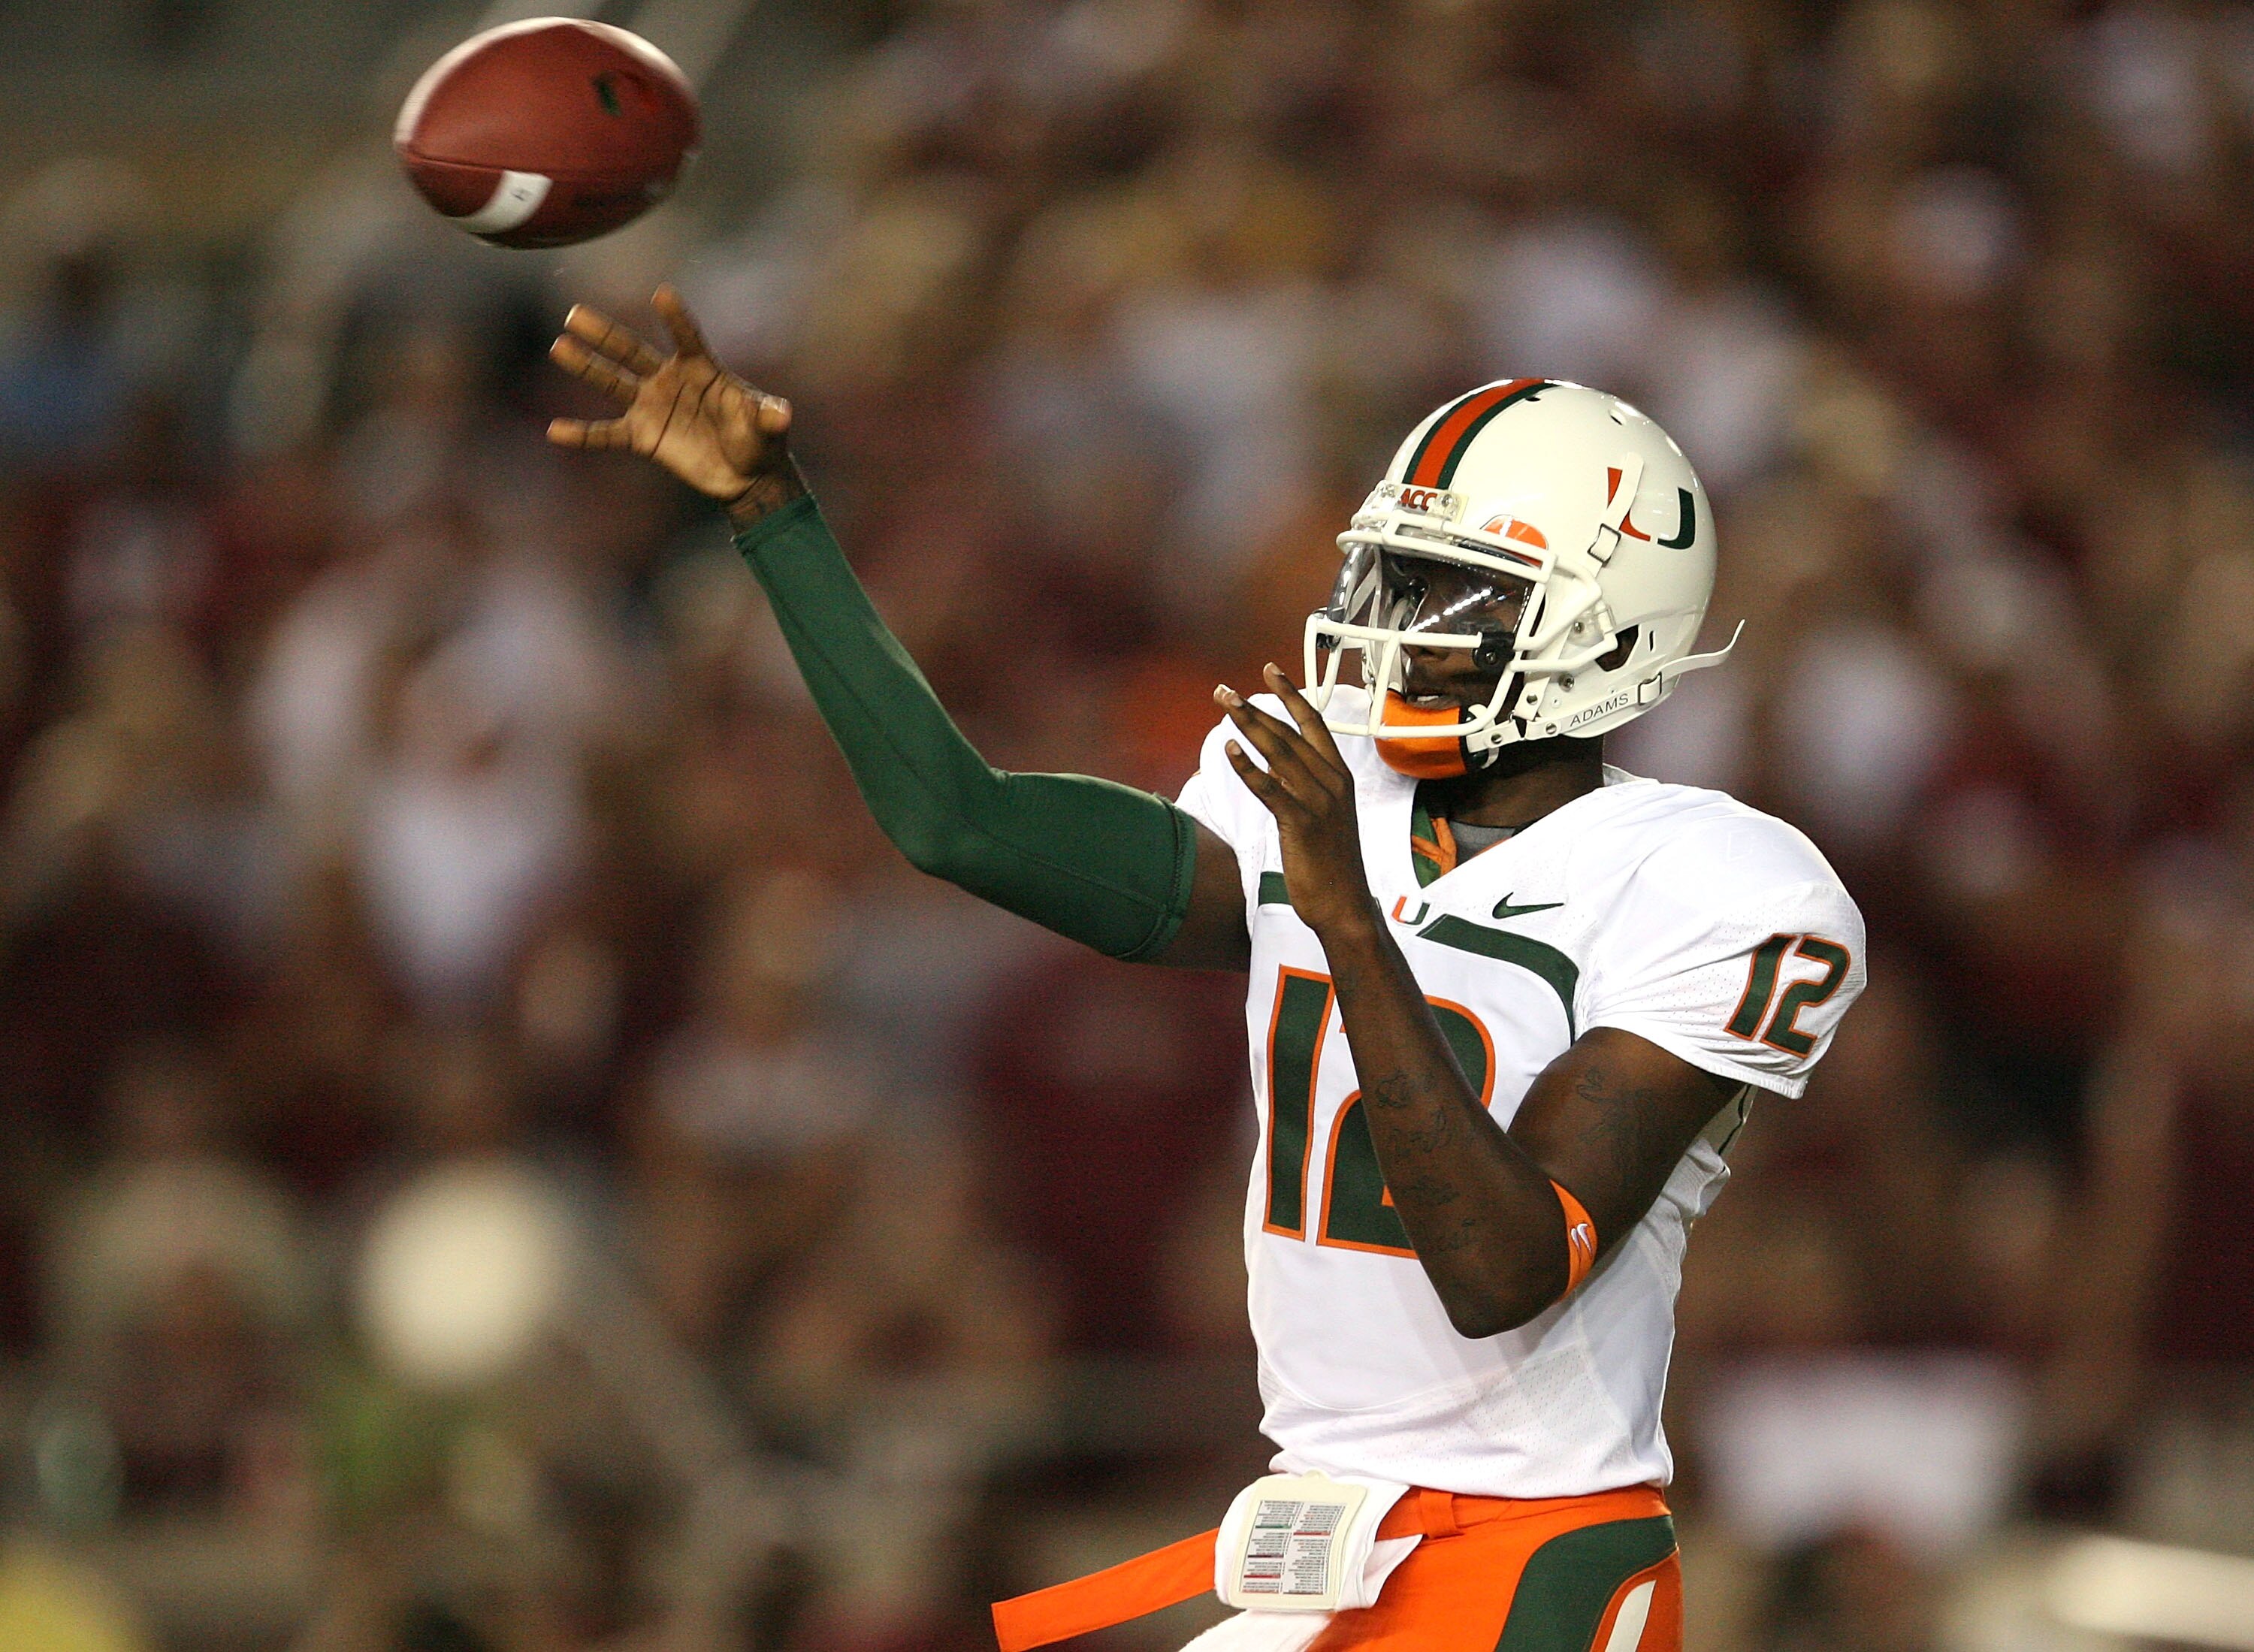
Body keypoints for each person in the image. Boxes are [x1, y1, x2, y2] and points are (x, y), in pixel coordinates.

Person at [546, 289, 1866, 1652]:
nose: (1394, 620)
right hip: (1323, 1546)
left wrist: (1350, 918)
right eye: (1395, 574)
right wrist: (775, 514)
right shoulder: (1319, 787)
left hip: (1530, 1557)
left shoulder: (1715, 885)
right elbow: (963, 822)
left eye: (1454, 591)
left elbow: (1503, 1267)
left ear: (1605, 625)